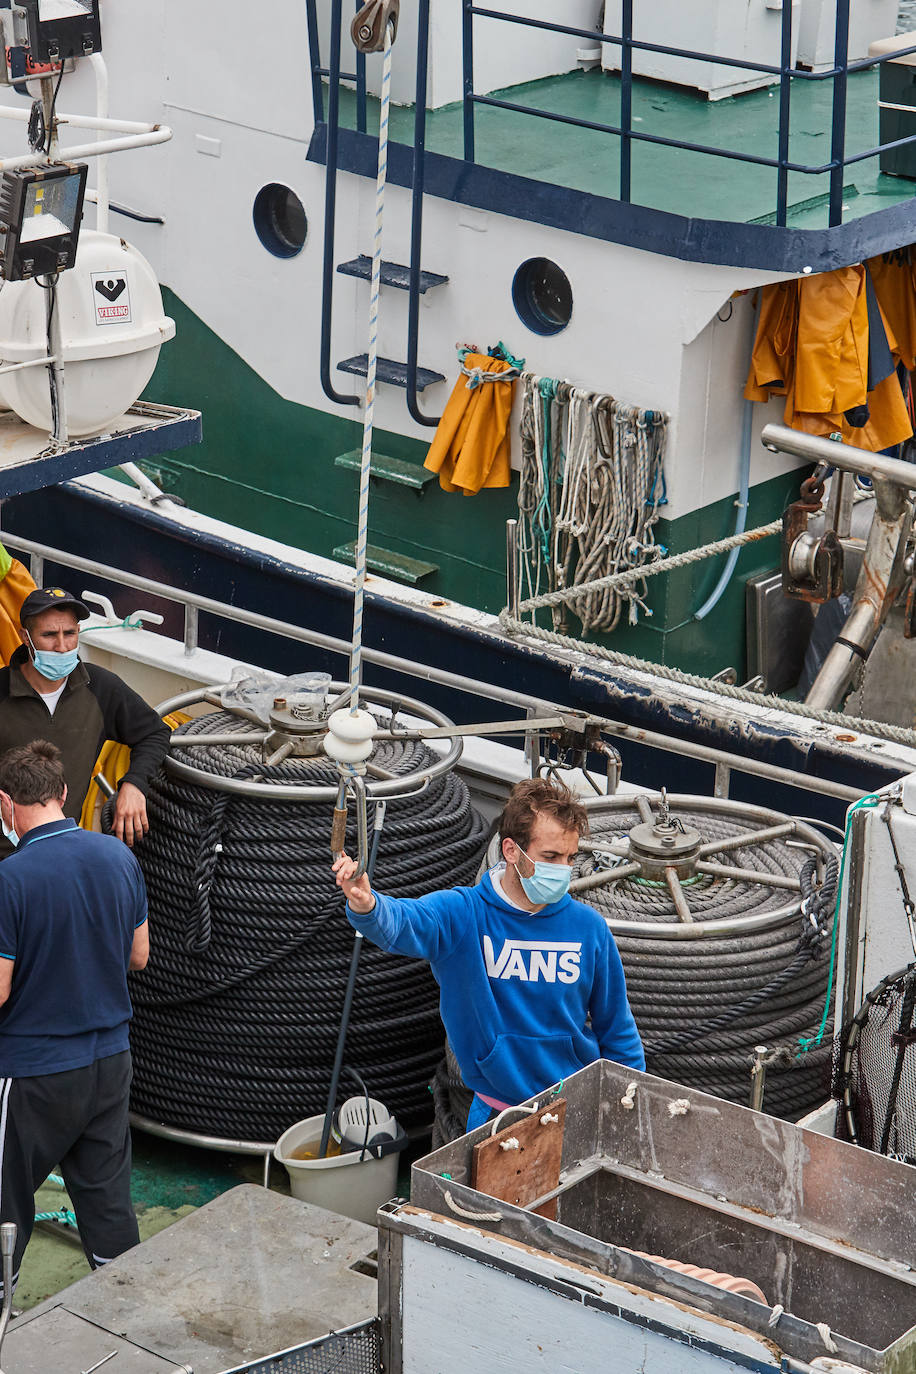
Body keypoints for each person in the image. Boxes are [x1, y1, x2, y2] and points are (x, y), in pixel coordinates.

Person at [334, 776, 644, 1133]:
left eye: (569, 857)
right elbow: (403, 924)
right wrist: (367, 904)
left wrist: (628, 1105)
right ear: (511, 850)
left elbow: (618, 1029)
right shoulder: (463, 915)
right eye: (550, 856)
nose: (562, 870)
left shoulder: (589, 928)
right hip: (495, 1117)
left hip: (574, 1112)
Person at [0, 740, 149, 1289]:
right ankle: (127, 1313)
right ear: (64, 793)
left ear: (4, 804)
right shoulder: (119, 857)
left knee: (4, 1203)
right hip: (110, 1064)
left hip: (33, 1073)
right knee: (108, 1206)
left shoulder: (9, 879)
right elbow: (139, 956)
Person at [0, 586, 169, 853]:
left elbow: (154, 733)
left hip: (63, 851)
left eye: (70, 633)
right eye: (49, 635)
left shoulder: (101, 688)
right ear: (25, 637)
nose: (62, 646)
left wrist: (134, 784)